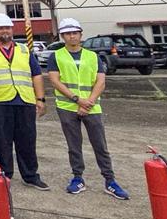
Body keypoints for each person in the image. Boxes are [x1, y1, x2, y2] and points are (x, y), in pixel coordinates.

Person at [47, 18, 129, 199]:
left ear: (81, 34)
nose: (72, 36)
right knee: (74, 145)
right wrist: (77, 100)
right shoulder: (57, 56)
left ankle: (110, 180)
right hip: (67, 106)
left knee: (100, 145)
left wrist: (88, 102)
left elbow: (100, 81)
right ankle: (78, 178)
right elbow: (54, 80)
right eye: (68, 33)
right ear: (63, 36)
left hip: (91, 107)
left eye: (75, 32)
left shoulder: (93, 56)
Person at [0, 13, 50, 190]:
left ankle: (30, 175)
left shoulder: (24, 50)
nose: (5, 31)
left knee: (27, 140)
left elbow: (36, 74)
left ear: (12, 29)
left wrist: (40, 98)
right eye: (1, 28)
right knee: (1, 141)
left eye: (8, 27)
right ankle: (3, 175)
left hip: (25, 100)